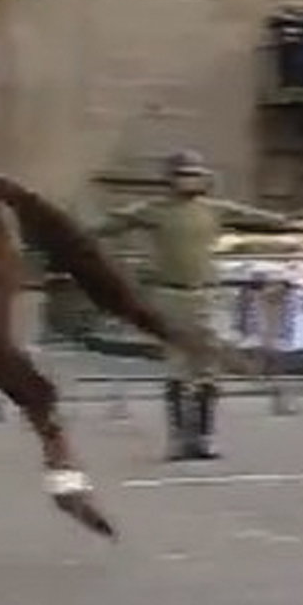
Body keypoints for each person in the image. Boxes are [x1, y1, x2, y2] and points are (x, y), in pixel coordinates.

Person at [111, 150, 225, 460]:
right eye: (185, 174)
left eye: (196, 174)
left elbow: (263, 220)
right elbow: (112, 222)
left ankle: (204, 437)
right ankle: (178, 439)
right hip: (170, 297)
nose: (192, 180)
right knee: (177, 369)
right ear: (170, 179)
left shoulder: (213, 210)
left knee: (207, 371)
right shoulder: (155, 211)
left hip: (204, 296)